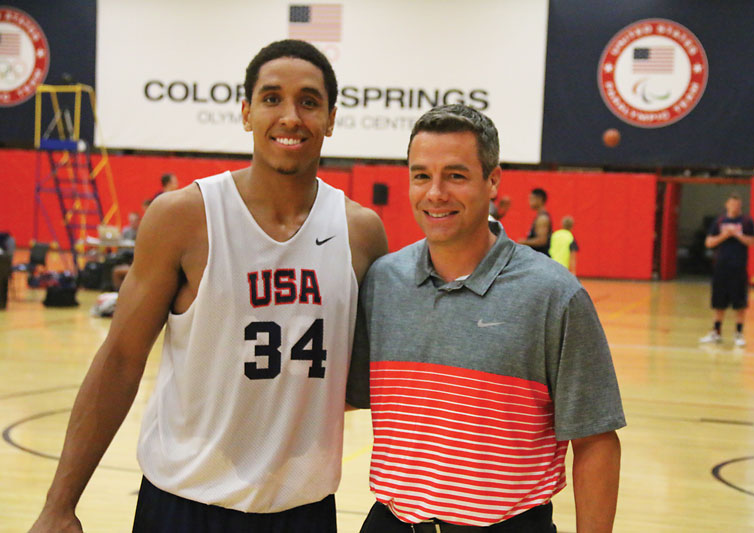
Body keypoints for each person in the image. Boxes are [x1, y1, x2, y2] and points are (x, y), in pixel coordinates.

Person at [29, 39, 387, 533]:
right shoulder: (184, 216)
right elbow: (120, 360)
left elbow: (372, 378)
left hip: (304, 510)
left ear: (330, 118)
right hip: (185, 504)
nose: (290, 116)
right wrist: (59, 504)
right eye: (271, 98)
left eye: (309, 101)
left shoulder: (361, 231)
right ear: (246, 113)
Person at [348, 105, 625, 532]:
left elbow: (595, 441)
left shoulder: (554, 294)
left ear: (493, 180)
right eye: (421, 175)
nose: (435, 193)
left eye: (455, 176)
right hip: (394, 520)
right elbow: (342, 398)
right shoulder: (383, 282)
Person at [699, 193, 754, 347]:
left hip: (738, 267)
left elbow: (753, 241)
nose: (735, 207)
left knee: (740, 303)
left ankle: (738, 333)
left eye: (738, 205)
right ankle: (716, 332)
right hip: (721, 267)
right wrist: (724, 235)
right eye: (732, 204)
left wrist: (738, 235)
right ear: (727, 205)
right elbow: (709, 243)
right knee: (719, 302)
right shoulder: (719, 221)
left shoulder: (746, 221)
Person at [518, 187, 552, 255]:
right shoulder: (540, 217)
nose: (529, 201)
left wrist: (524, 242)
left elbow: (542, 241)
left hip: (541, 259)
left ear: (539, 199)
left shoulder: (542, 219)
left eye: (531, 199)